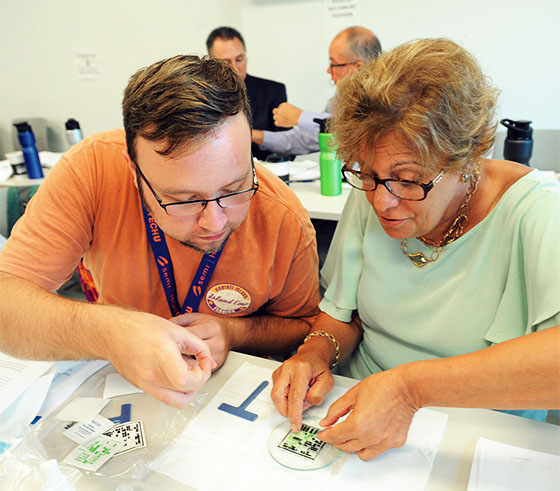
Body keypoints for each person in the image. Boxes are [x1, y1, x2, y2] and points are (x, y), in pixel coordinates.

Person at [271, 39, 560, 461]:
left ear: (470, 156)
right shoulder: (375, 186)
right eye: (366, 173)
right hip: (355, 409)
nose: (381, 201)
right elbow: (341, 314)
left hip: (477, 436)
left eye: (408, 179)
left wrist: (409, 390)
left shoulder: (537, 213)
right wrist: (314, 353)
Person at [0, 55, 320, 409]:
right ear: (133, 168)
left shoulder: (283, 217)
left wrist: (235, 332)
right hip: (120, 389)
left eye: (234, 188)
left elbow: (304, 325)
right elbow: (6, 303)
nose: (215, 222)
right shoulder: (92, 171)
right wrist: (110, 333)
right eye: (182, 200)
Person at [252, 26, 381, 156]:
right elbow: (304, 140)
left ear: (359, 67)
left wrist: (299, 117)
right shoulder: (338, 100)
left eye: (334, 64)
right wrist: (255, 135)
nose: (329, 70)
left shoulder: (384, 97)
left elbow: (349, 129)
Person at [206, 26, 289, 162]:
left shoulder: (273, 91)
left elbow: (288, 148)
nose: (234, 68)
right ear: (211, 63)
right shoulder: (201, 96)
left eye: (239, 60)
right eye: (226, 63)